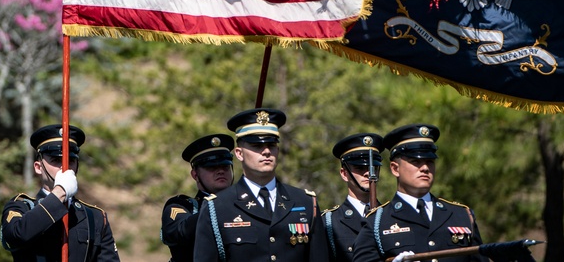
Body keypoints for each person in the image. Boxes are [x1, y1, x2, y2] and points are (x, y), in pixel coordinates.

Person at [194, 108, 327, 262]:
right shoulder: (218, 207)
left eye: (271, 145)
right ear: (239, 153)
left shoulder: (305, 201)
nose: (266, 151)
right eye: (256, 146)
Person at [351, 124, 488, 262]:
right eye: (415, 161)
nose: (425, 168)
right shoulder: (377, 222)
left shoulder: (461, 215)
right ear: (395, 169)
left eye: (430, 161)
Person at [1, 124, 120, 262]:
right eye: (56, 160)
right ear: (39, 167)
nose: (65, 167)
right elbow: (16, 236)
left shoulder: (95, 217)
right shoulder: (21, 207)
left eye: (71, 161)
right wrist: (59, 193)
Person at [161, 133, 236, 262]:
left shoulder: (245, 204)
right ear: (195, 175)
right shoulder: (181, 206)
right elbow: (178, 232)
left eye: (225, 166)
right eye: (212, 167)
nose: (220, 171)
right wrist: (221, 205)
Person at [321, 132, 384, 262]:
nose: (368, 173)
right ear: (344, 174)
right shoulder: (330, 222)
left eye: (373, 167)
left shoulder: (390, 216)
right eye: (360, 168)